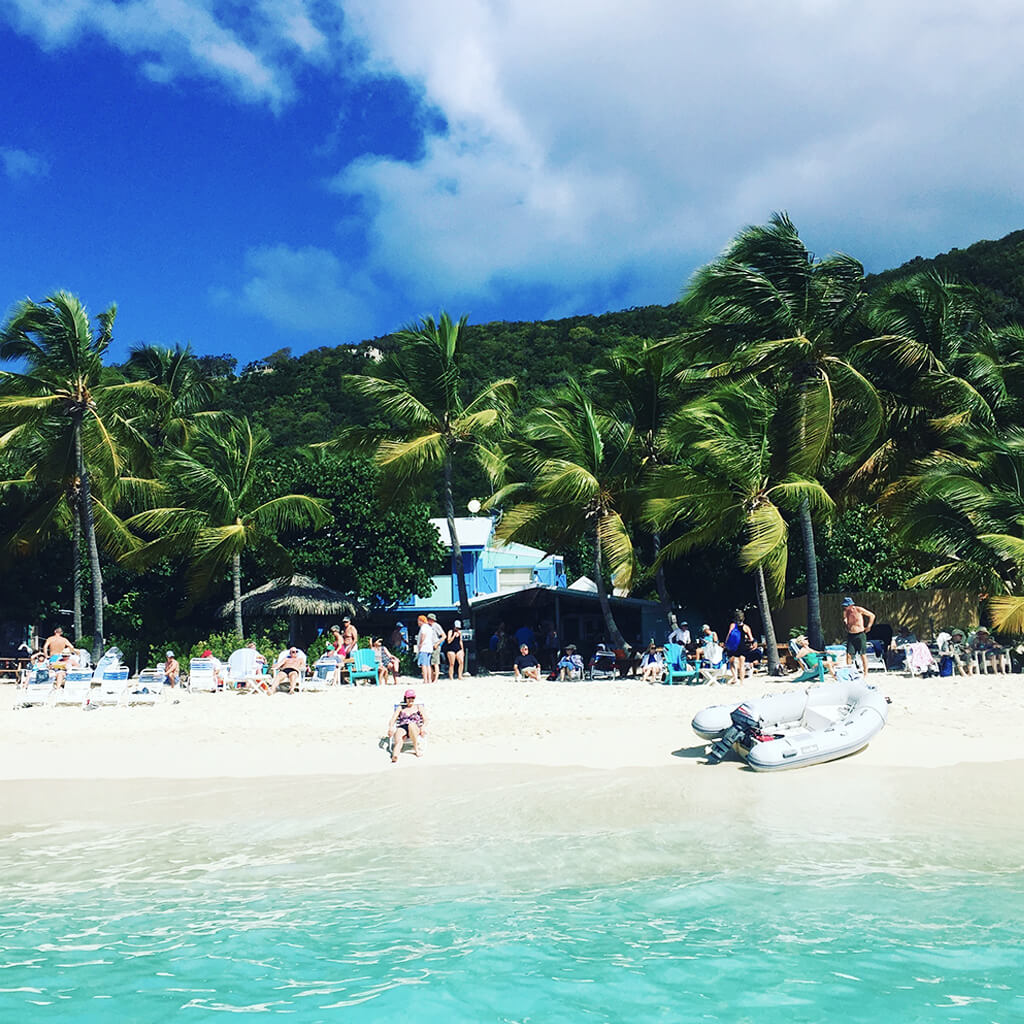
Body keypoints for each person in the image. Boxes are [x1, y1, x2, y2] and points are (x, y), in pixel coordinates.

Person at [387, 688, 427, 762]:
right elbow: (393, 719)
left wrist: (423, 728)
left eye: (413, 698)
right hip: (403, 726)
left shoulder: (418, 706)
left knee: (411, 725)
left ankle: (416, 749)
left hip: (415, 727)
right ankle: (395, 755)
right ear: (405, 698)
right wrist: (390, 728)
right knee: (399, 736)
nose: (411, 699)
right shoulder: (401, 707)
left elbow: (426, 719)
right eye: (409, 698)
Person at [842, 597, 876, 676]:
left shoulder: (859, 610)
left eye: (846, 606)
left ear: (851, 605)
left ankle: (865, 673)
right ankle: (849, 673)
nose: (845, 607)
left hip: (860, 634)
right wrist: (846, 622)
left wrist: (869, 626)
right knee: (849, 655)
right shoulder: (846, 612)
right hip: (851, 634)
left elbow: (872, 615)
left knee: (862, 654)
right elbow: (846, 620)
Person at [723, 610, 755, 684]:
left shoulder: (732, 625)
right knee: (741, 665)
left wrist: (726, 643)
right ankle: (741, 682)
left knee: (731, 662)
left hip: (733, 646)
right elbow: (751, 639)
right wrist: (749, 642)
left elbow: (729, 634)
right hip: (742, 646)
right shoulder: (746, 627)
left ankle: (735, 678)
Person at [415, 614, 434, 686]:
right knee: (428, 664)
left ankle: (425, 679)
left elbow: (423, 635)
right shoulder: (429, 627)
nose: (418, 623)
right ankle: (429, 679)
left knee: (423, 664)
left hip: (424, 647)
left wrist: (420, 644)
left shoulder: (423, 627)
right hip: (429, 647)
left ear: (421, 621)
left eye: (418, 621)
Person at [427, 613, 445, 683]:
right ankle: (431, 678)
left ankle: (436, 679)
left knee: (435, 663)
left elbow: (444, 636)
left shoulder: (436, 626)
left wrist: (437, 644)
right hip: (428, 646)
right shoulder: (426, 626)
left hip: (435, 646)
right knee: (429, 663)